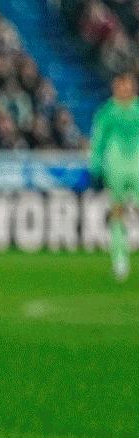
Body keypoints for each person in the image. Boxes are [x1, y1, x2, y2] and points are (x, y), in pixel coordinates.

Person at [89, 70, 139, 281]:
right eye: (121, 85)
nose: (124, 89)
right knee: (117, 212)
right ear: (115, 87)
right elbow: (98, 141)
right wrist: (96, 168)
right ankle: (120, 260)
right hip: (116, 167)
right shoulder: (107, 112)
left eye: (128, 84)